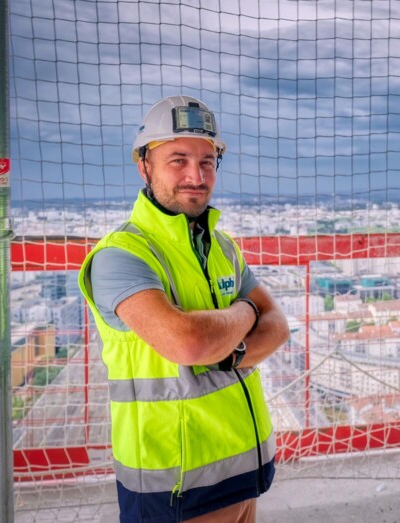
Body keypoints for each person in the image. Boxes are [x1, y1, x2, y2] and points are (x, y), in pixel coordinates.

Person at [78, 95, 290, 522]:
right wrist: (247, 312)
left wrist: (233, 352)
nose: (196, 175)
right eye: (178, 160)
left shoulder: (221, 246)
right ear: (144, 165)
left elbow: (279, 326)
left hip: (241, 468)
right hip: (177, 482)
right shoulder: (122, 256)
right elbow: (188, 343)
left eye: (207, 162)